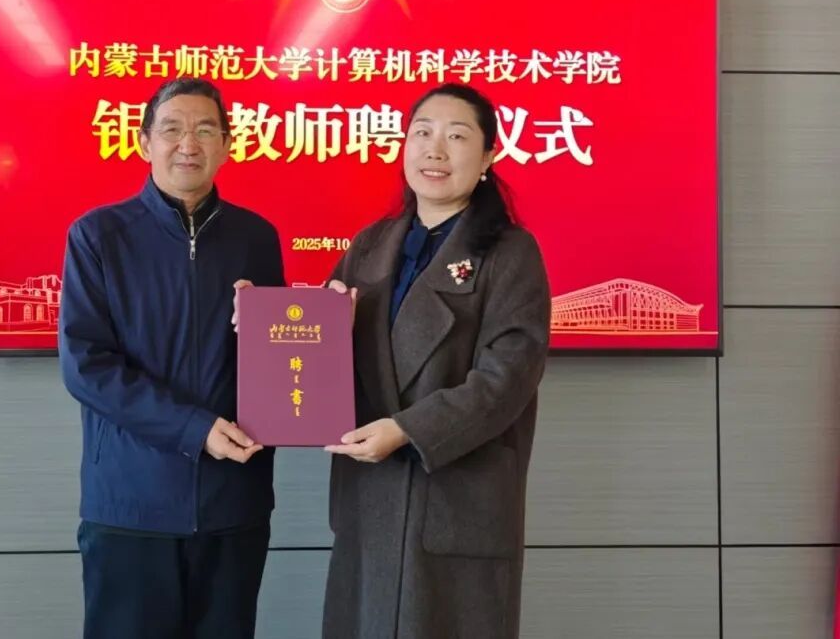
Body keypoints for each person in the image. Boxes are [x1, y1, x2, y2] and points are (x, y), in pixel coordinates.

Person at [321, 83, 552, 639]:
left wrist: (408, 429)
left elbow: (506, 379)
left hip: (455, 496)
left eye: (457, 136)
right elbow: (321, 352)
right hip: (370, 497)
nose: (435, 150)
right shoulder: (370, 245)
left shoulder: (510, 253)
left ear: (489, 156)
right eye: (422, 133)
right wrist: (271, 325)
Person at [60, 77, 285, 639]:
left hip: (233, 502)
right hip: (131, 503)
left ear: (227, 145)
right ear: (143, 142)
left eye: (206, 130)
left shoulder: (256, 237)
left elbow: (282, 359)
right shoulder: (99, 235)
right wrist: (194, 427)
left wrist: (286, 327)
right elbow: (87, 365)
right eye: (172, 129)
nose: (189, 143)